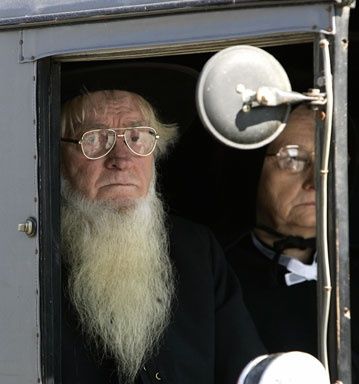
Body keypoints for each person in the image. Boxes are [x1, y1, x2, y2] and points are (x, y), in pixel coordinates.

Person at [60, 82, 265, 384]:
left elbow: (246, 370)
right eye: (95, 138)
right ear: (55, 156)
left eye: (137, 137)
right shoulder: (26, 255)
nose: (121, 159)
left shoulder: (195, 249)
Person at [225, 104, 318, 355]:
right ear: (252, 168)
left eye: (328, 159)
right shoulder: (221, 285)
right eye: (293, 158)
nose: (314, 182)